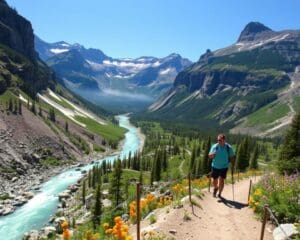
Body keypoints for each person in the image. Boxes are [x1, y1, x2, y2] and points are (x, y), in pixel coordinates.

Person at [208, 134, 235, 198]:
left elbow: (232, 157)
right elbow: (209, 156)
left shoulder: (228, 147)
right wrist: (213, 154)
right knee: (214, 180)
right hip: (215, 166)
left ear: (224, 140)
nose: (218, 141)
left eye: (220, 140)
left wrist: (232, 166)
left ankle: (219, 193)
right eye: (217, 140)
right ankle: (216, 188)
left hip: (224, 167)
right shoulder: (214, 146)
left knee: (221, 180)